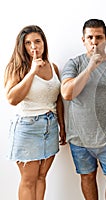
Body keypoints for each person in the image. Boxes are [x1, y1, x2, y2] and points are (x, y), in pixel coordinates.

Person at [60, 19, 106, 200]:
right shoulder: (74, 64)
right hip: (80, 137)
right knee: (88, 176)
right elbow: (67, 94)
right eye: (90, 37)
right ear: (83, 40)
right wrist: (90, 67)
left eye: (98, 37)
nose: (94, 41)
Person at [4, 25, 66, 200]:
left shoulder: (53, 67)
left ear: (44, 43)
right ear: (22, 46)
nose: (34, 47)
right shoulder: (16, 68)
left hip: (50, 126)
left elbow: (58, 99)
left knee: (41, 177)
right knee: (28, 180)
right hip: (27, 127)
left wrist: (62, 126)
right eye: (28, 43)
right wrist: (32, 72)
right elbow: (12, 99)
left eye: (37, 41)